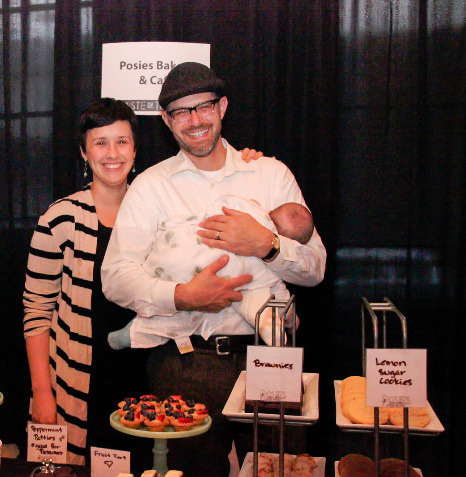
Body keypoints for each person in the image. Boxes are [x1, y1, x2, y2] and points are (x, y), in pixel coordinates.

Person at [101, 62, 326, 475]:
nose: (194, 121)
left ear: (222, 107)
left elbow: (315, 270)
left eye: (203, 106)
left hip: (270, 358)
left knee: (281, 468)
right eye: (181, 112)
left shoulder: (270, 174)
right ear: (168, 122)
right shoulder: (151, 185)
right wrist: (182, 296)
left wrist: (268, 245)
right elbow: (115, 276)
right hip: (184, 363)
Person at [22, 96, 265, 468]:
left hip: (154, 377)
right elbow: (36, 311)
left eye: (121, 141)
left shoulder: (162, 204)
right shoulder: (61, 219)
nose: (112, 153)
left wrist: (246, 162)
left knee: (154, 467)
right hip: (79, 383)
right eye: (100, 143)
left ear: (136, 149)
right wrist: (42, 392)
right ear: (84, 153)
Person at [107, 198, 314, 351]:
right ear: (292, 243)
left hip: (172, 250)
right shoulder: (266, 269)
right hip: (196, 280)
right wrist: (290, 319)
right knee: (185, 316)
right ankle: (136, 332)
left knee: (177, 301)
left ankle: (138, 327)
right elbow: (280, 295)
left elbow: (221, 204)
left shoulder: (247, 206)